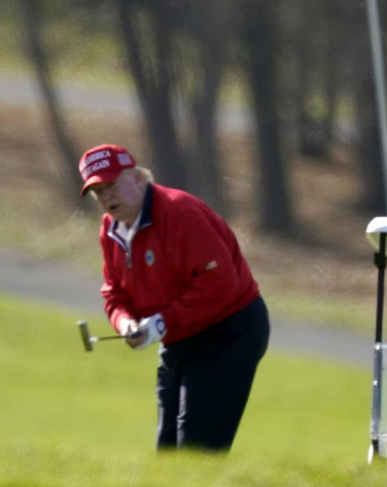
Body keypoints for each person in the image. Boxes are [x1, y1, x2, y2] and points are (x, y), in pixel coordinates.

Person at [78, 143, 269, 452]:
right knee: (168, 454)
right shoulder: (110, 230)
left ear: (138, 178)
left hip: (228, 334)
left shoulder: (180, 213)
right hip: (179, 340)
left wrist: (162, 322)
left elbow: (220, 283)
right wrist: (126, 324)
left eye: (112, 185)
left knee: (196, 450)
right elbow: (115, 291)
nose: (106, 197)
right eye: (98, 191)